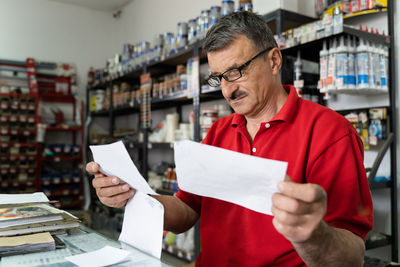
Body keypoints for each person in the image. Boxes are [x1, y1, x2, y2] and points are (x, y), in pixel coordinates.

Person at [86, 11, 373, 266]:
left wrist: (314, 235)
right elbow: (187, 209)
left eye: (236, 72)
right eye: (218, 78)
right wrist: (135, 196)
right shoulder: (219, 131)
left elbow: (352, 257)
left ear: (274, 60)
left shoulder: (330, 133)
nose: (227, 90)